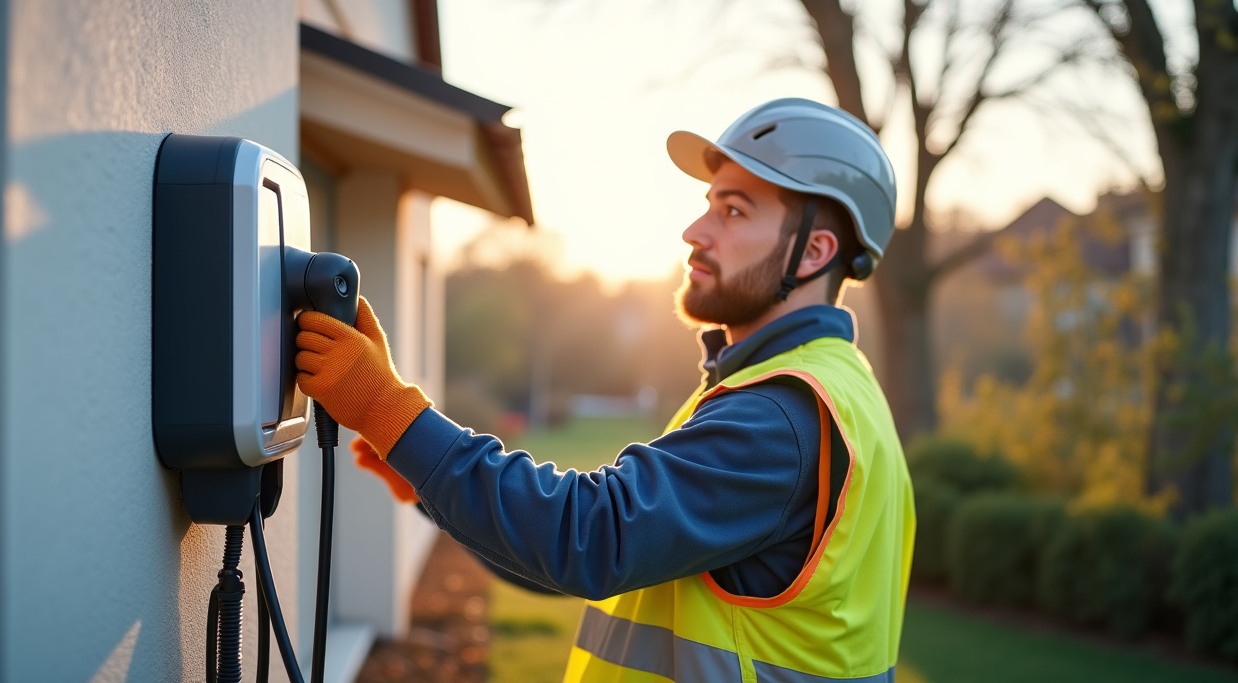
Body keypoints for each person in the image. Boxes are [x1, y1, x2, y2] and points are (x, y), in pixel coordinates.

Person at [295, 98, 915, 683]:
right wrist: (433, 485)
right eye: (709, 204)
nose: (695, 230)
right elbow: (595, 561)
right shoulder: (832, 389)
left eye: (734, 210)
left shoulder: (780, 416)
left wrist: (390, 412)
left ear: (813, 251)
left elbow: (590, 538)